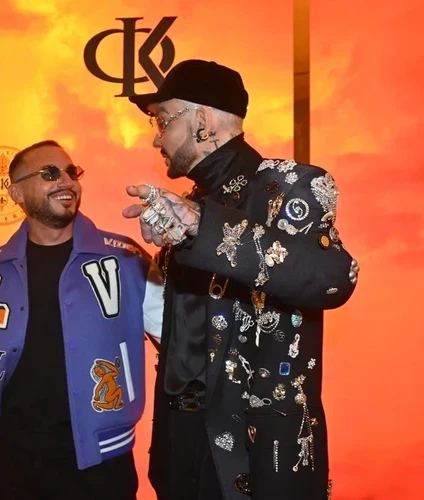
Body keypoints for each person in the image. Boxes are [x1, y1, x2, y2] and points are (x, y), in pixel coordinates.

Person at [122, 60, 358, 500]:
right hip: (179, 445)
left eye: (163, 120)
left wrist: (201, 227)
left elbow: (333, 276)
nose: (156, 137)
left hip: (256, 455)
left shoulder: (289, 186)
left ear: (202, 121)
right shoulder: (189, 204)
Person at [0, 140, 164, 500]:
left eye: (71, 172)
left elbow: (180, 337)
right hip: (15, 459)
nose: (67, 181)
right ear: (16, 193)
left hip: (101, 459)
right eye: (50, 173)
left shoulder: (127, 260)